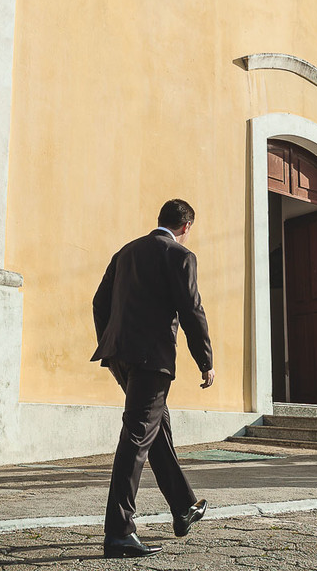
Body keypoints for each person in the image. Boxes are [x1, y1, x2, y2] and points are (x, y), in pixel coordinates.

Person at [91, 199, 215, 557]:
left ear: (160, 220)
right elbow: (192, 309)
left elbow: (99, 302)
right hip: (152, 359)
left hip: (121, 357)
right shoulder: (179, 256)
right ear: (186, 227)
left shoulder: (125, 252)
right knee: (136, 437)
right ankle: (119, 533)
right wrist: (205, 360)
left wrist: (112, 342)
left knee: (156, 428)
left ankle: (184, 507)